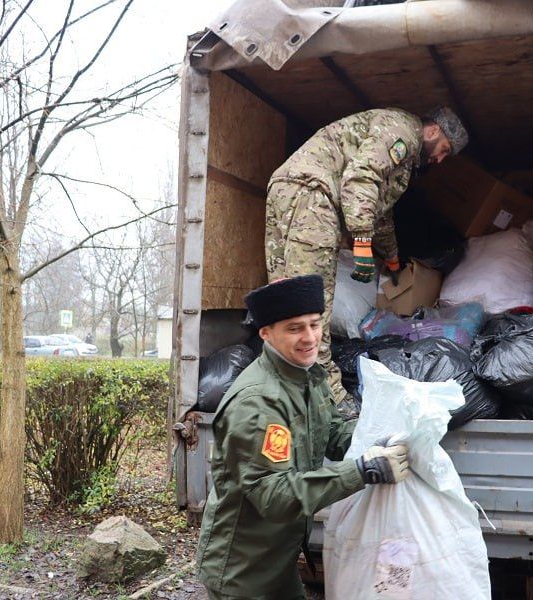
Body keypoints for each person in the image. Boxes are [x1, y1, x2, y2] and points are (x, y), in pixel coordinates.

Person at [196, 274, 411, 600]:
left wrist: (379, 437)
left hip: (280, 560)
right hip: (244, 574)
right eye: (295, 328)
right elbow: (273, 496)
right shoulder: (258, 403)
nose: (310, 337)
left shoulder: (309, 376)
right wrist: (362, 470)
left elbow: (333, 433)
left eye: (314, 324)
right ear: (266, 333)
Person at [265, 106, 469, 409]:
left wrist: (392, 258)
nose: (439, 159)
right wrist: (361, 240)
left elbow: (381, 215)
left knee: (283, 297)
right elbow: (361, 179)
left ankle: (281, 385)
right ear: (432, 131)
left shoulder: (401, 160)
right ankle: (327, 396)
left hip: (293, 189)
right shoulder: (401, 133)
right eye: (443, 150)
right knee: (310, 301)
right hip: (314, 195)